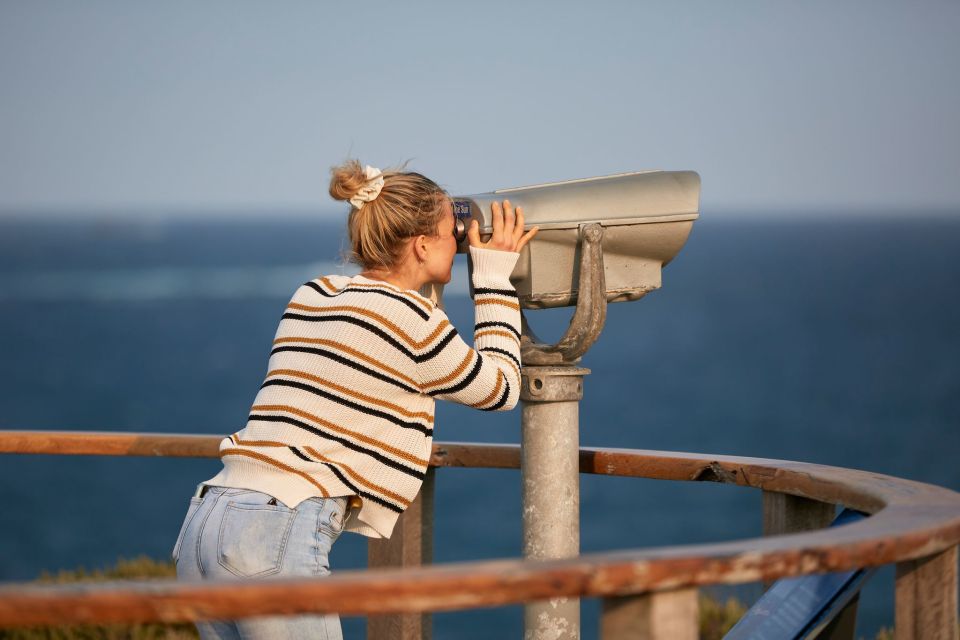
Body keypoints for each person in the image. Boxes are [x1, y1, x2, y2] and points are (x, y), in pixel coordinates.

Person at [171, 160, 538, 639]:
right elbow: (501, 389)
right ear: (422, 244)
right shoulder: (413, 324)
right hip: (273, 535)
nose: (462, 241)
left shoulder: (311, 295)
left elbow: (402, 353)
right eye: (454, 232)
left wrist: (436, 280)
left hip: (206, 521)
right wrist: (493, 278)